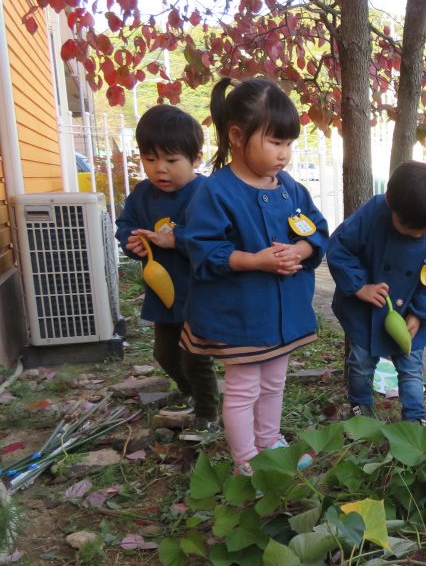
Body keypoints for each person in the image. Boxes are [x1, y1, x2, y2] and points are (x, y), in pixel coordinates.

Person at [180, 77, 329, 475]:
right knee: (244, 389)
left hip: (280, 316)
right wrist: (255, 260)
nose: (284, 154)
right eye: (275, 142)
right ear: (237, 136)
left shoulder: (290, 188)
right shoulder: (216, 191)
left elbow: (315, 226)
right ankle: (246, 460)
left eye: (289, 144)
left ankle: (270, 444)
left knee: (274, 383)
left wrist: (302, 248)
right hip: (241, 316)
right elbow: (203, 249)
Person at [114, 105, 219, 439]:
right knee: (163, 352)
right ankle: (189, 390)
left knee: (194, 355)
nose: (160, 169)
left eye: (171, 161)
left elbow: (216, 238)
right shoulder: (143, 194)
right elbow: (125, 224)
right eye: (149, 159)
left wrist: (177, 240)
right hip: (162, 291)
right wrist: (129, 240)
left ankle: (207, 411)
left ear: (196, 158)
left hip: (199, 292)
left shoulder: (206, 193)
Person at [327, 161, 426, 424]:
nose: (416, 234)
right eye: (408, 227)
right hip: (367, 308)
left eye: (425, 231)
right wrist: (359, 286)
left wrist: (421, 314)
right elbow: (339, 248)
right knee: (361, 364)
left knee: (410, 368)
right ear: (390, 201)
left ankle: (415, 418)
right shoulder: (373, 214)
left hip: (410, 310)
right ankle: (361, 411)